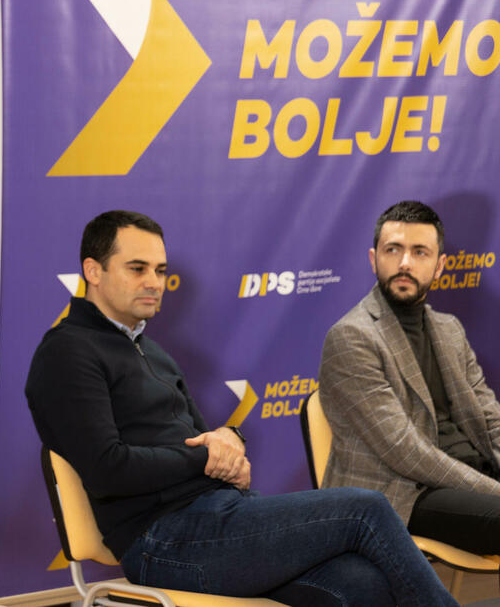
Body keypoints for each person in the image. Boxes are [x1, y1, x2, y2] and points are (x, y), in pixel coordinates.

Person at [25, 210, 458, 606]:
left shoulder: (151, 351)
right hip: (161, 542)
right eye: (137, 269)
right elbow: (107, 469)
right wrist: (206, 458)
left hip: (221, 517)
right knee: (366, 509)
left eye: (160, 270)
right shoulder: (68, 352)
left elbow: (202, 439)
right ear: (93, 271)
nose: (154, 282)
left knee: (362, 584)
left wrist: (230, 440)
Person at [319, 200, 500, 554]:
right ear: (374, 259)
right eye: (393, 250)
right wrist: (494, 491)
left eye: (419, 252)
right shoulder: (351, 337)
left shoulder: (449, 329)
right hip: (400, 492)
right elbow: (406, 453)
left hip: (467, 474)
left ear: (439, 265)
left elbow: (490, 418)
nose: (405, 263)